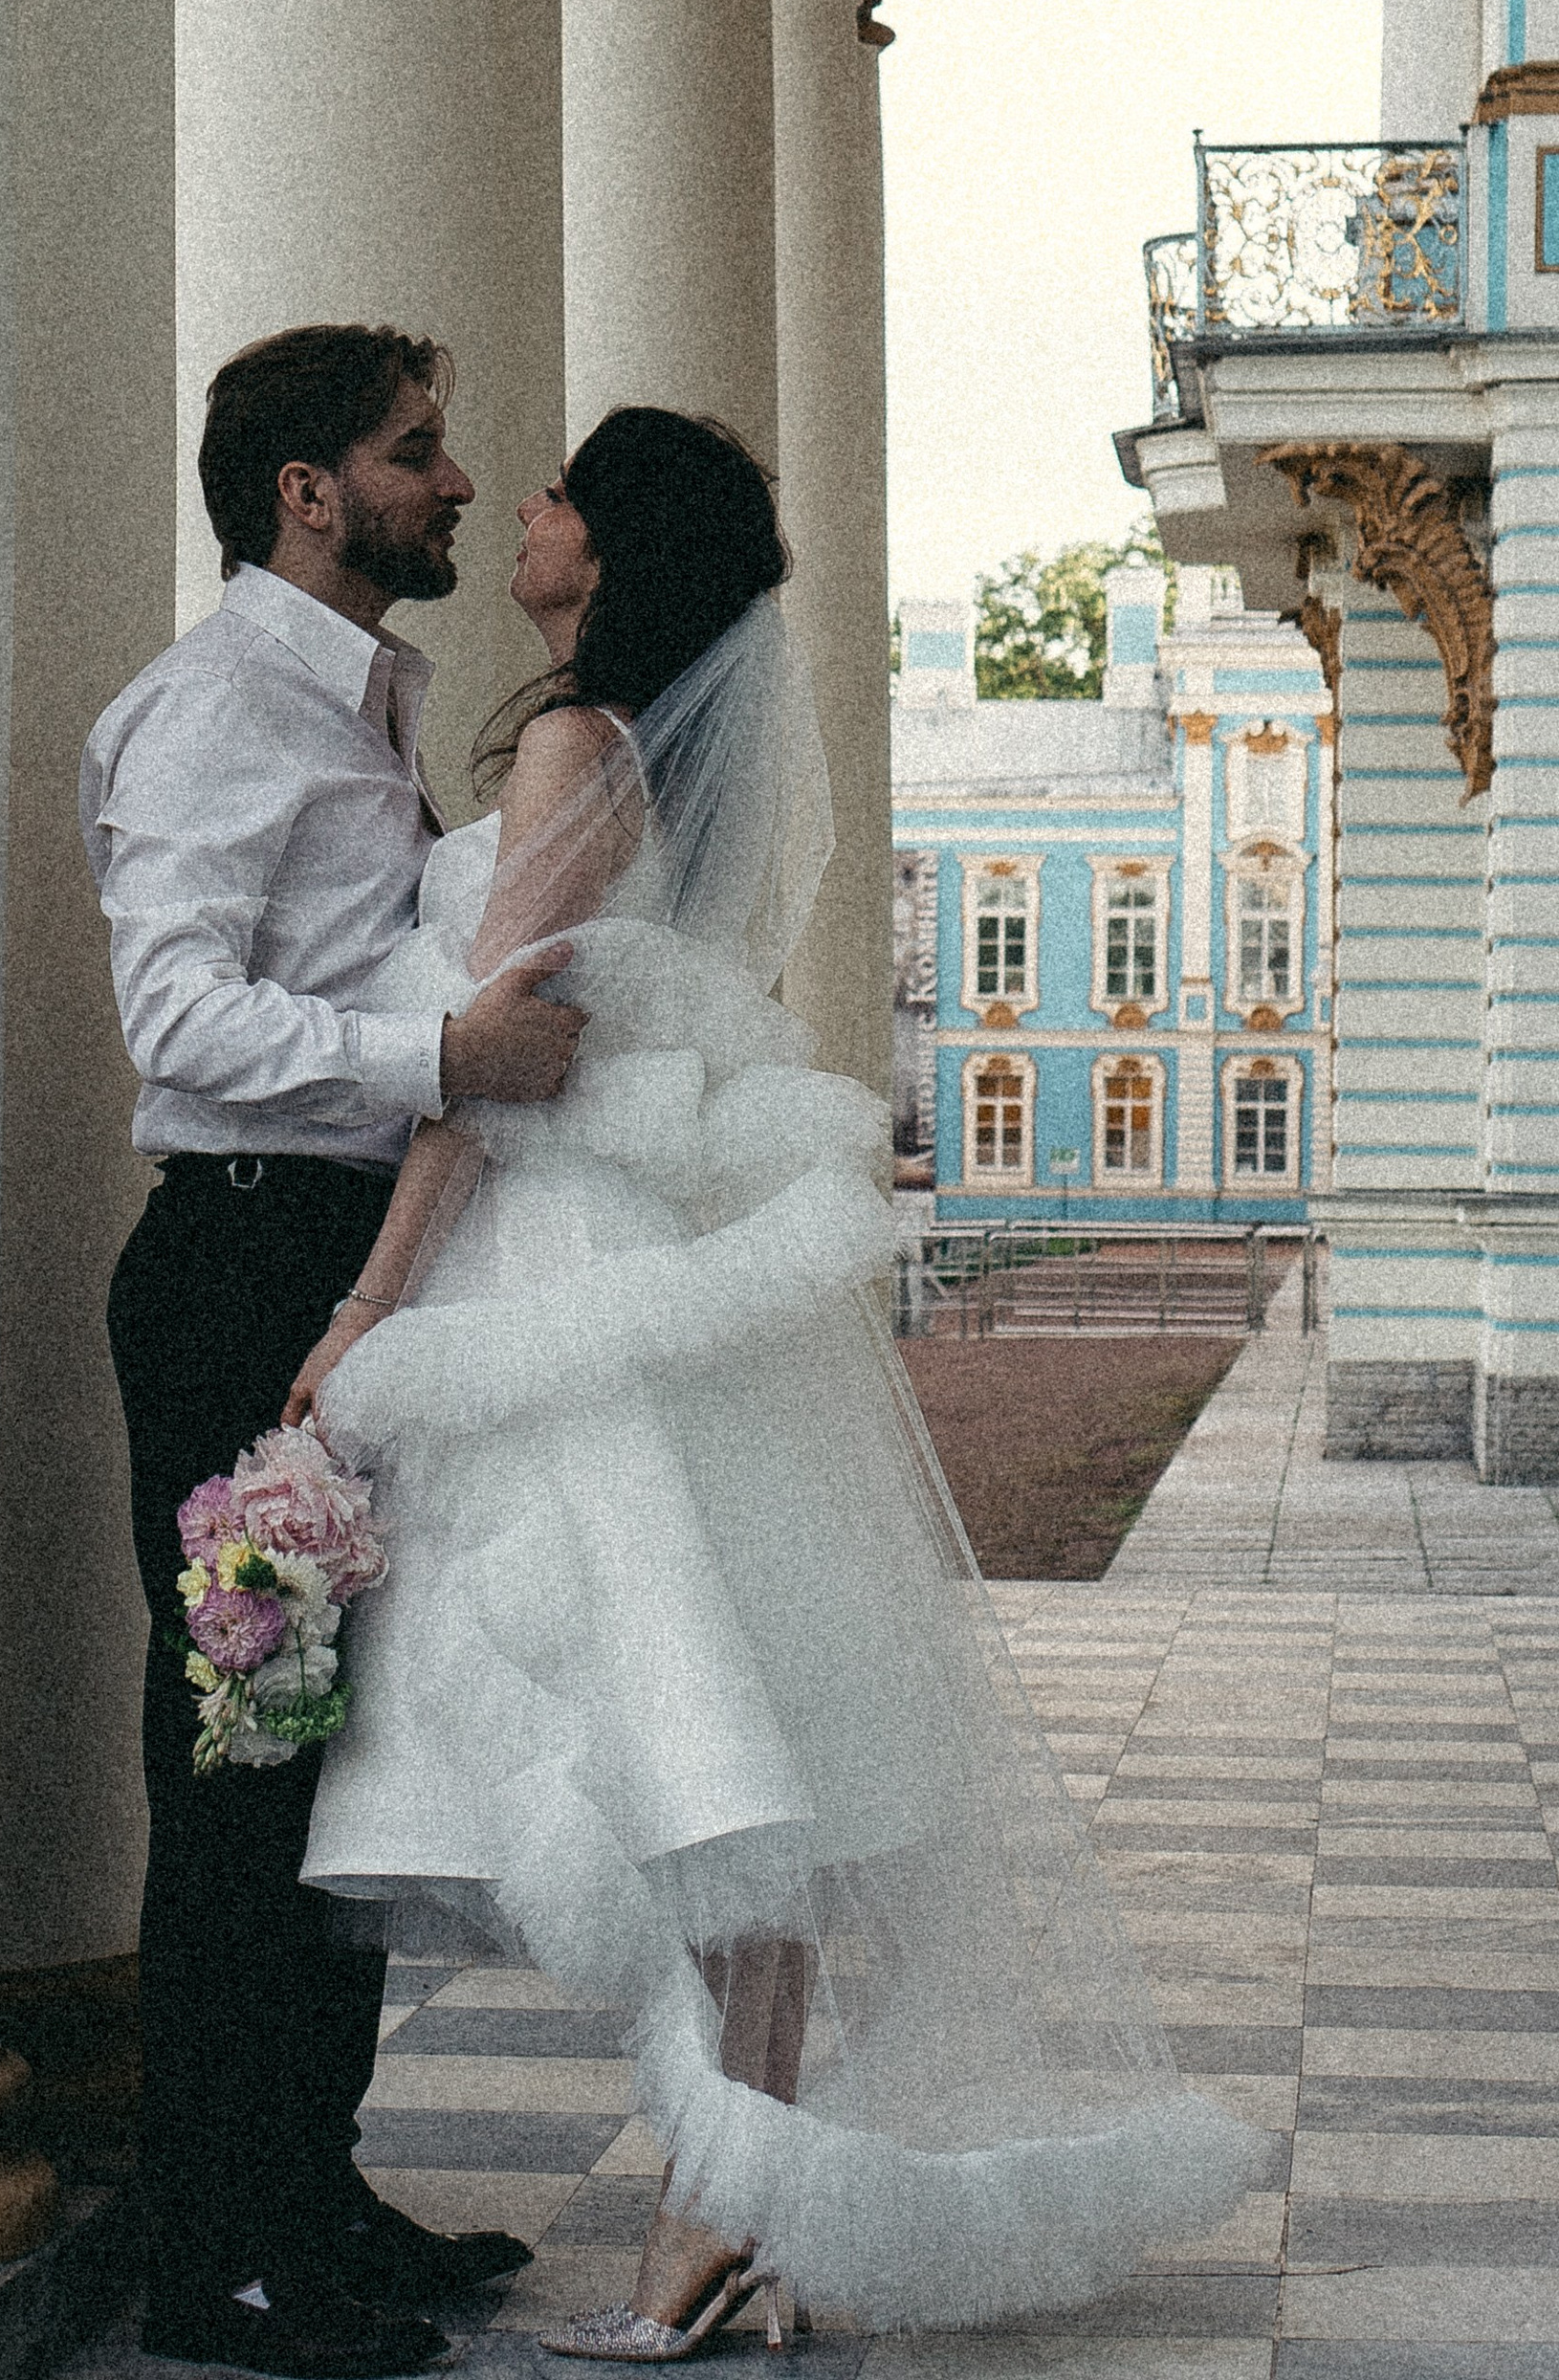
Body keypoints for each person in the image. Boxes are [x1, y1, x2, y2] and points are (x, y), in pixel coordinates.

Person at [292, 408, 1278, 2355]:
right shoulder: (654, 754)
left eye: (559, 493)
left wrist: (370, 1314)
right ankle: (722, 2212)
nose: (523, 511)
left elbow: (498, 1059)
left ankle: (718, 2214)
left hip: (554, 1271)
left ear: (616, 545)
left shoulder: (582, 740)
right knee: (729, 1758)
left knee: (689, 1747)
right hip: (642, 1267)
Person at [87, 323, 589, 2380]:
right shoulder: (218, 708)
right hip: (236, 1277)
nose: (457, 483)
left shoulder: (359, 694)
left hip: (331, 1272)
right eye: (415, 453)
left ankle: (310, 2187)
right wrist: (437, 1054)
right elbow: (176, 1020)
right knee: (234, 1776)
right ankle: (215, 2256)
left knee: (315, 1761)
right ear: (307, 490)